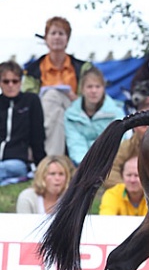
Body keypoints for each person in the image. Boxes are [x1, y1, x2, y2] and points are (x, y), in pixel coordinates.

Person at [22, 16, 93, 156]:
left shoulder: (82, 67)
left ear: (67, 39)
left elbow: (93, 95)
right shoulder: (33, 69)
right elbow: (28, 100)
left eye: (61, 33)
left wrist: (75, 98)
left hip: (75, 109)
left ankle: (51, 160)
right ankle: (58, 160)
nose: (57, 37)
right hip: (44, 114)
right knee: (56, 110)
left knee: (54, 98)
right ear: (46, 38)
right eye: (53, 33)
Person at [64, 67, 124, 166]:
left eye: (98, 86)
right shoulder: (71, 115)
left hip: (111, 164)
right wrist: (87, 165)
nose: (94, 91)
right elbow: (75, 144)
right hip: (82, 165)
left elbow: (120, 143)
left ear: (103, 89)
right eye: (89, 87)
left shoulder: (116, 113)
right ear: (82, 89)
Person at [0, 61, 46, 184]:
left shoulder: (31, 101)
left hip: (17, 160)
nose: (10, 85)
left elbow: (38, 136)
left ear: (21, 82)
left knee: (7, 168)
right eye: (6, 81)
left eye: (15, 81)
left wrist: (41, 166)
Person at [103, 102, 149, 189]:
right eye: (143, 124)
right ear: (135, 127)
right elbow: (110, 171)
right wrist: (129, 188)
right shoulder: (126, 146)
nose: (147, 128)